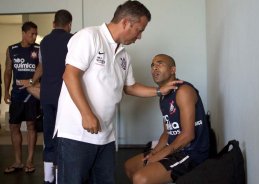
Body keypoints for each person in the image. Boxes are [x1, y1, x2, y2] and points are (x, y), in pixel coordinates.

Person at [54, 1, 181, 183]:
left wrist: (160, 90)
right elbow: (70, 75)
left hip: (105, 136)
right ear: (126, 23)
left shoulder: (124, 55)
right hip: (76, 133)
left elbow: (129, 87)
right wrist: (86, 114)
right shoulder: (89, 36)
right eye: (139, 29)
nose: (140, 36)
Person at [124, 54, 210, 183]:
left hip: (191, 152)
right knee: (130, 166)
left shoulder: (183, 91)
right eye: (152, 65)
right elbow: (167, 132)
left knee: (140, 179)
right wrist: (154, 152)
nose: (155, 68)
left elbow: (188, 136)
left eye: (160, 64)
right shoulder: (163, 95)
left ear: (172, 70)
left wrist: (160, 155)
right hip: (174, 148)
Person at [30, 9, 72, 184]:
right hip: (65, 96)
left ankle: (48, 178)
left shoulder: (44, 41)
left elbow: (41, 66)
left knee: (48, 136)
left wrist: (32, 82)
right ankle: (60, 178)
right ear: (69, 25)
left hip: (46, 96)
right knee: (65, 136)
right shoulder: (72, 40)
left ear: (54, 23)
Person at [3, 21, 40, 174]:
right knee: (14, 126)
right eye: (32, 34)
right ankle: (18, 161)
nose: (34, 37)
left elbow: (42, 68)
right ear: (24, 33)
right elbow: (7, 71)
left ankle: (29, 161)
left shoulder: (38, 49)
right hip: (17, 95)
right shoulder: (12, 49)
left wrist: (33, 83)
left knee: (32, 126)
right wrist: (5, 92)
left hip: (33, 95)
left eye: (36, 34)